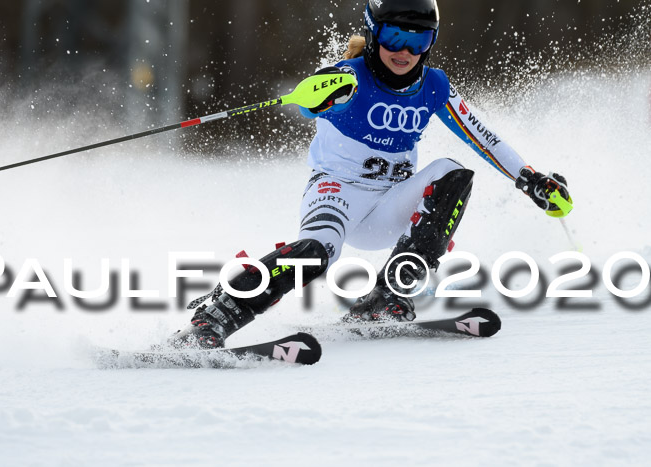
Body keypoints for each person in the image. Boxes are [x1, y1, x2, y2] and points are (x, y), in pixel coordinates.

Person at [171, 0, 572, 348]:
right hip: (336, 194)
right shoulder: (348, 77)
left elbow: (483, 137)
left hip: (390, 205)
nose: (405, 51)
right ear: (373, 32)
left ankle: (389, 294)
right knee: (316, 254)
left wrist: (530, 179)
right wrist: (315, 97)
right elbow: (311, 101)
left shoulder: (433, 86)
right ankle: (214, 316)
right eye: (395, 37)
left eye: (419, 41)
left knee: (454, 173)